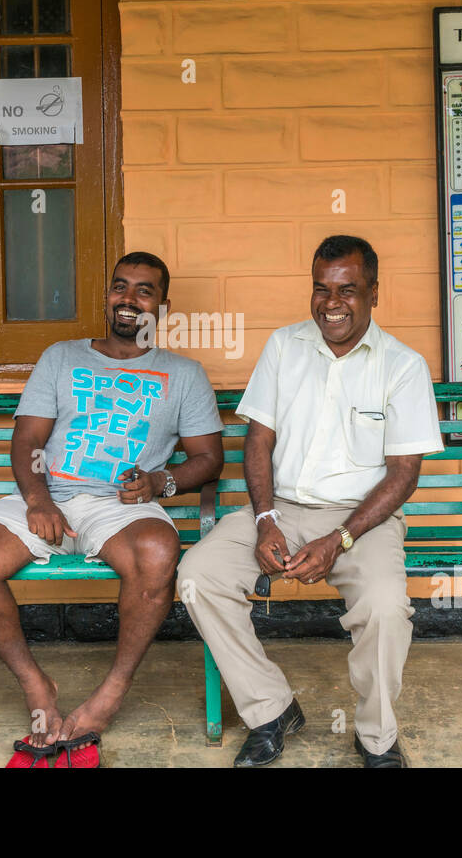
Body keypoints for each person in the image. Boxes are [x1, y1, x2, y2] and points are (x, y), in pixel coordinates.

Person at [0, 252, 224, 767]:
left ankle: (112, 691)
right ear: (107, 294)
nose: (129, 299)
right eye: (120, 287)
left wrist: (162, 481)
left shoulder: (183, 374)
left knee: (159, 552)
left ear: (164, 303)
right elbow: (27, 439)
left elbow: (209, 459)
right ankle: (36, 684)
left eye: (144, 290)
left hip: (121, 506)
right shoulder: (61, 357)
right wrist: (37, 499)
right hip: (50, 497)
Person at [178, 236, 443, 768]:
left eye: (347, 290)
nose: (332, 303)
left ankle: (376, 736)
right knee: (198, 575)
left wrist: (340, 538)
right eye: (321, 289)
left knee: (386, 608)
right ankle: (271, 710)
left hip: (363, 520)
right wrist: (266, 519)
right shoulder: (284, 346)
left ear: (373, 293)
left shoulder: (403, 366)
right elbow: (259, 442)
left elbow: (404, 476)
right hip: (282, 510)